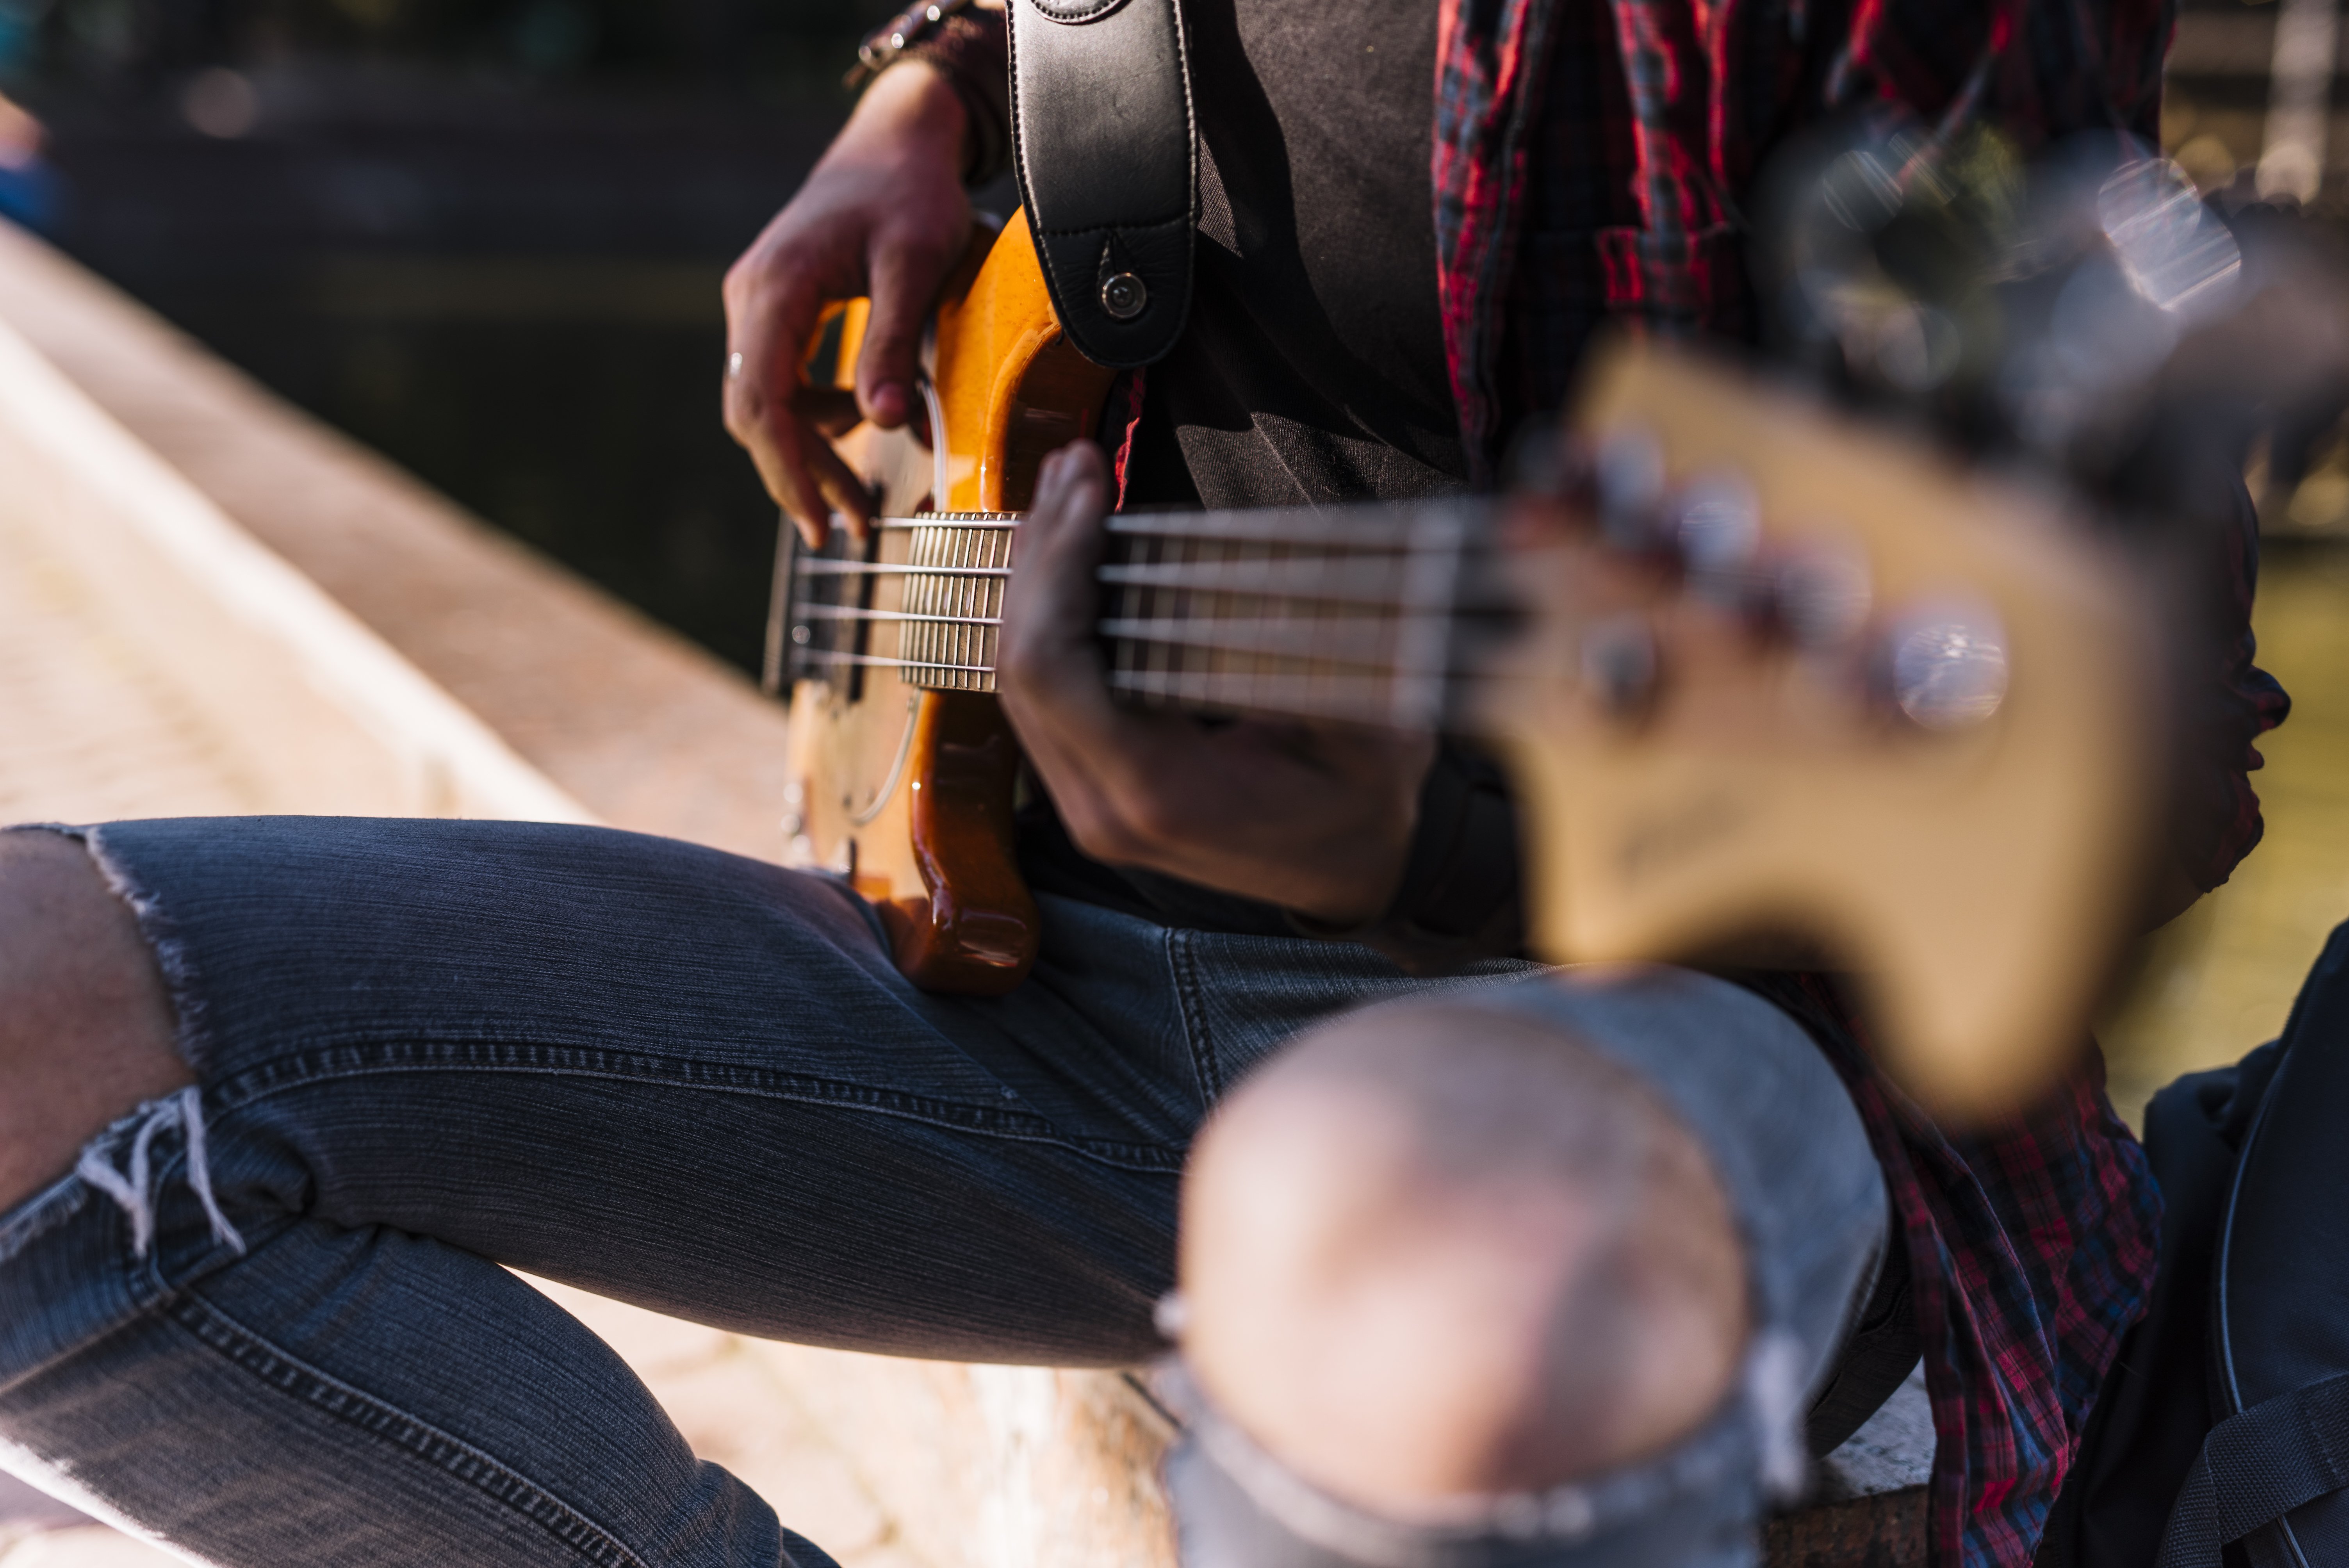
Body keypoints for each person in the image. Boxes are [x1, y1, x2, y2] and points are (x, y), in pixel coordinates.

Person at [0, 5, 2288, 1568]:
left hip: (1595, 1022)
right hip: (1029, 957)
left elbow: (2145, 768)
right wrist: (932, 81)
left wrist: (1420, 838)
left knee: (1458, 1271)